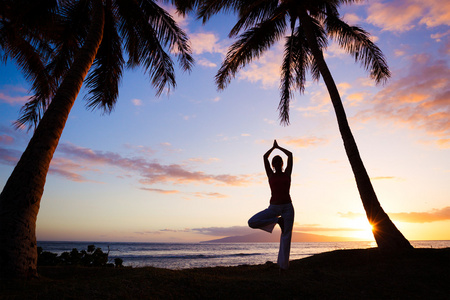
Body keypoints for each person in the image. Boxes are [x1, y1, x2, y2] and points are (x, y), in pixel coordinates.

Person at [248, 140, 295, 271]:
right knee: (252, 222)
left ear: (282, 163)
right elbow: (264, 157)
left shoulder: (287, 173)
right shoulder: (270, 175)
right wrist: (273, 148)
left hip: (288, 207)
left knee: (286, 237)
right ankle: (277, 221)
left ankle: (283, 267)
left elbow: (290, 155)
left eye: (280, 161)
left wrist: (279, 147)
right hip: (273, 208)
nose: (278, 164)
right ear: (273, 165)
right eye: (275, 162)